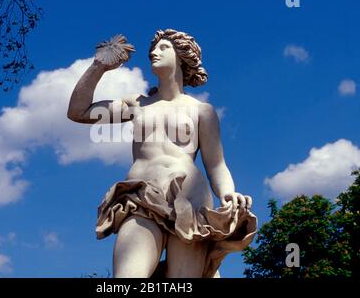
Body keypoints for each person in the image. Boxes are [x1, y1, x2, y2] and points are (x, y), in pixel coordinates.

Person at [67, 29, 257, 278]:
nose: (154, 53)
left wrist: (228, 193)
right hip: (142, 196)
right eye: (152, 50)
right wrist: (98, 67)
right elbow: (78, 112)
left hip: (191, 201)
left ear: (182, 56)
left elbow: (216, 164)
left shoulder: (202, 111)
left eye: (163, 48)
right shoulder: (137, 103)